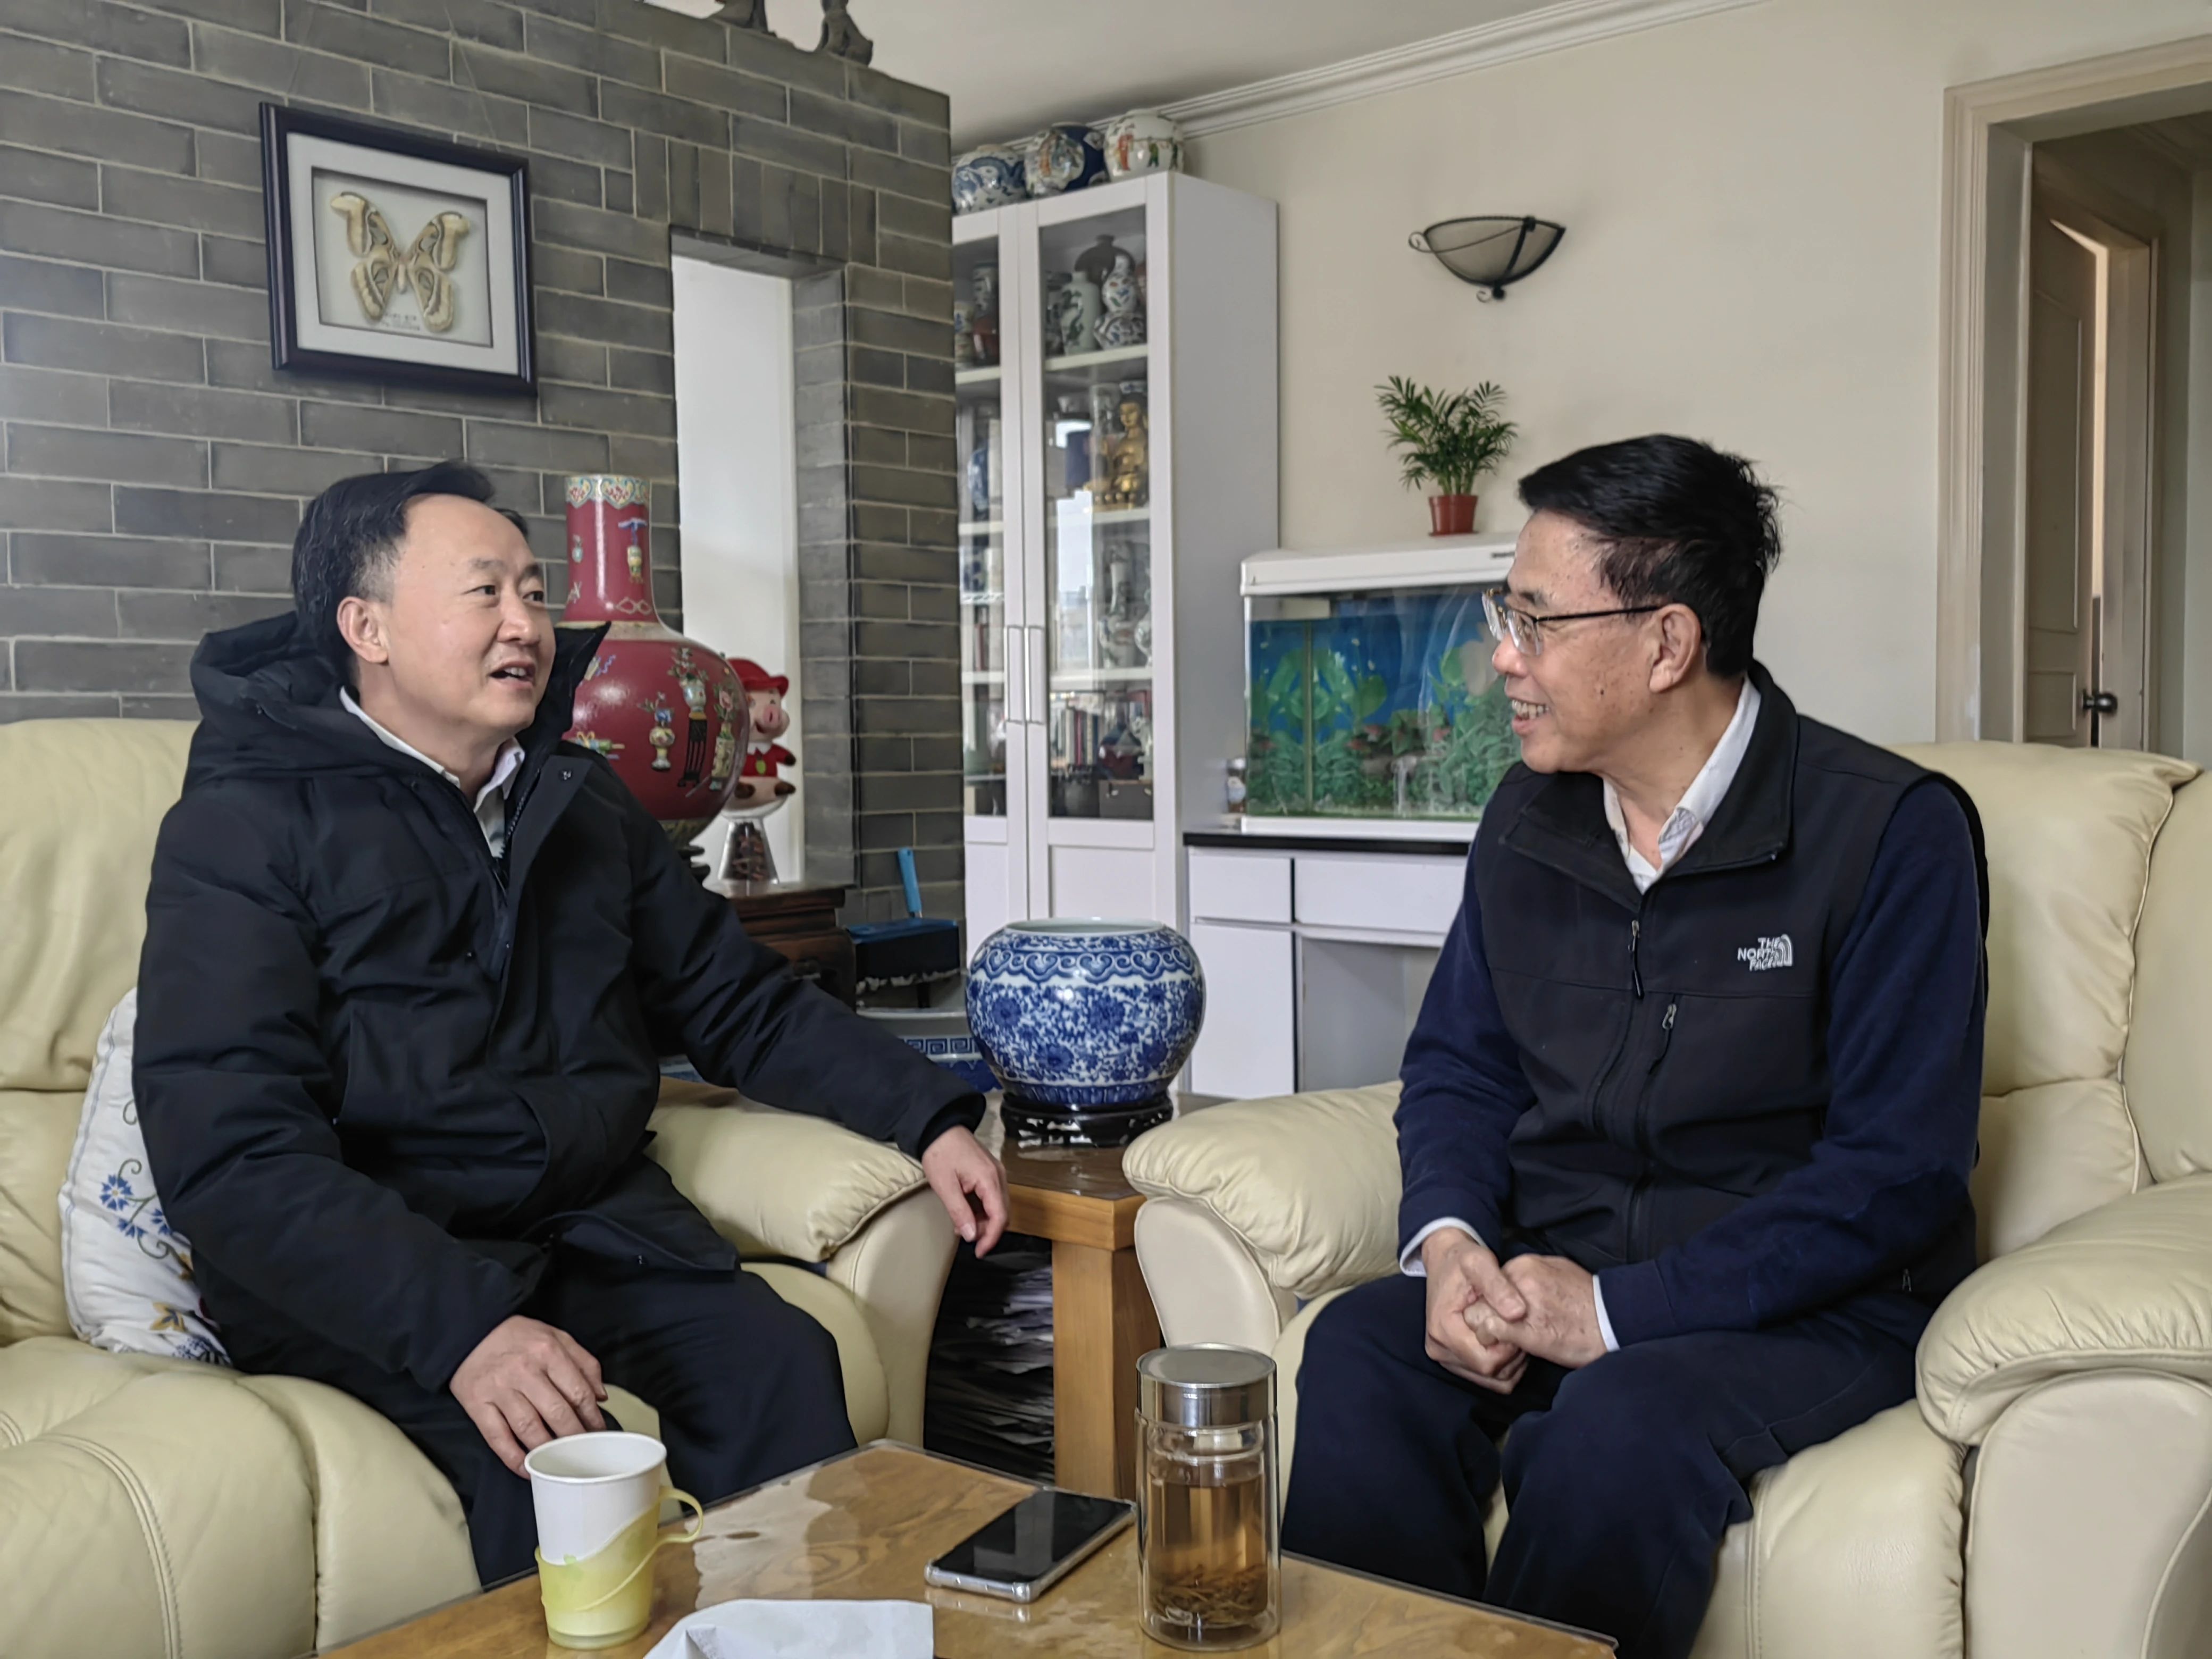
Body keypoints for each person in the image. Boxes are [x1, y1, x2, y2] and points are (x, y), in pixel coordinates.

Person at [135, 463, 1009, 1586]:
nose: (526, 625)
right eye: (485, 592)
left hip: (581, 1229)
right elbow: (231, 1151)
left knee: (779, 1362)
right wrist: (461, 1329)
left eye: (535, 593)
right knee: (550, 1472)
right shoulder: (244, 826)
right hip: (374, 1266)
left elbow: (733, 999)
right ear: (367, 628)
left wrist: (929, 1118)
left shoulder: (578, 798)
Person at [1278, 435, 1985, 1659]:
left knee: (1619, 1423)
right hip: (1559, 1269)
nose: (1502, 658)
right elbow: (1458, 1066)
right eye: (1506, 615)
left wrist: (1615, 1312)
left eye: (1535, 622)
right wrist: (1451, 1243)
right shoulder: (1525, 816)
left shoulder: (1890, 833)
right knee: (1359, 1347)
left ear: (1666, 644)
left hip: (1805, 1314)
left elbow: (1897, 1171)